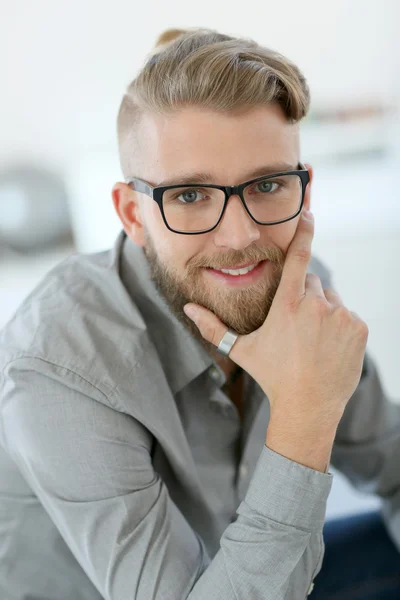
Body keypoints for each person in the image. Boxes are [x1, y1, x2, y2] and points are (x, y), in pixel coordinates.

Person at [0, 26, 399, 600]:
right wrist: (305, 415)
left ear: (304, 190)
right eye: (189, 195)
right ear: (132, 215)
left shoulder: (302, 297)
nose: (240, 237)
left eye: (266, 184)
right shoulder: (58, 367)